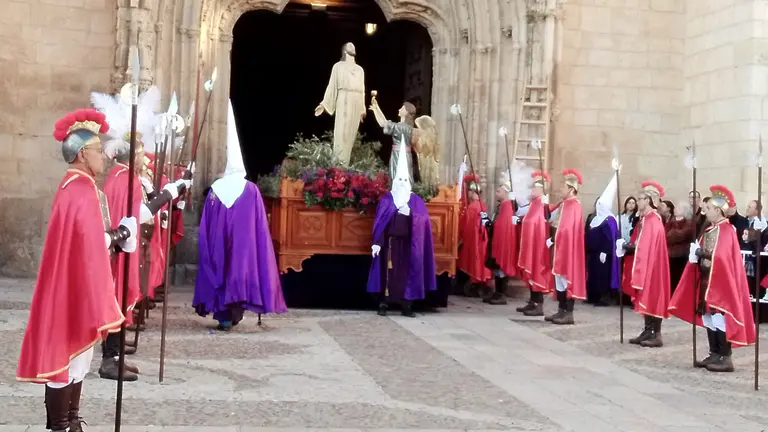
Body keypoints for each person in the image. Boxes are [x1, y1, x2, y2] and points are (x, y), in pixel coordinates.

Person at [16, 108, 136, 432]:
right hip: (73, 286)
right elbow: (90, 242)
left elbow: (93, 241)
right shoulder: (78, 189)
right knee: (66, 355)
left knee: (78, 358)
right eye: (98, 151)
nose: (104, 157)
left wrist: (115, 238)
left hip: (78, 282)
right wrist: (120, 236)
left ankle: (71, 420)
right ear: (83, 153)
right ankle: (60, 425)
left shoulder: (83, 187)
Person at [92, 87, 192, 380]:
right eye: (139, 154)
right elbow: (140, 214)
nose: (143, 159)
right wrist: (171, 192)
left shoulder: (122, 177)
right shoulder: (124, 180)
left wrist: (164, 192)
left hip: (126, 247)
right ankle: (109, 360)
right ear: (130, 157)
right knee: (118, 299)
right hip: (121, 249)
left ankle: (117, 355)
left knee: (122, 300)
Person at [194, 100, 287, 329]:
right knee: (238, 271)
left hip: (219, 245)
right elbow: (260, 225)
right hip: (243, 249)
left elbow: (205, 223)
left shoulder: (215, 190)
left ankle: (224, 316)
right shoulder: (251, 190)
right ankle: (233, 314)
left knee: (221, 270)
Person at [669, 184, 756, 372]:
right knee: (708, 316)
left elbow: (722, 257)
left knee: (719, 317)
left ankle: (726, 357)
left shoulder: (727, 230)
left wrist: (702, 252)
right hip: (706, 279)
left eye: (708, 208)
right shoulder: (710, 229)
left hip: (720, 282)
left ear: (718, 210)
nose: (704, 210)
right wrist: (696, 255)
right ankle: (714, 353)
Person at [367, 136, 437, 317]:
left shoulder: (416, 201)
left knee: (408, 275)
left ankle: (407, 305)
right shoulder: (387, 200)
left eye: (405, 181)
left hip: (409, 247)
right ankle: (383, 303)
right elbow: (380, 223)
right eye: (400, 180)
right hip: (389, 245)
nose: (402, 184)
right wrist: (377, 242)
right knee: (387, 276)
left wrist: (411, 214)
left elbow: (423, 222)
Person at [616, 181, 670, 347]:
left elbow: (644, 246)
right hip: (648, 264)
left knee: (654, 296)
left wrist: (627, 246)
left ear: (648, 200)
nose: (637, 202)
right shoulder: (645, 219)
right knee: (647, 296)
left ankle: (656, 334)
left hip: (653, 266)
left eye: (640, 199)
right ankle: (648, 330)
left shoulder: (652, 220)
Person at [315, 42, 366, 165]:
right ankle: (338, 166)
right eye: (350, 46)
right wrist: (323, 104)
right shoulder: (338, 66)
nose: (353, 46)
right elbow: (332, 86)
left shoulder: (360, 69)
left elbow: (362, 90)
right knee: (341, 134)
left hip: (356, 100)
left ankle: (345, 166)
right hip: (344, 99)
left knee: (350, 137)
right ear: (344, 50)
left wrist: (362, 108)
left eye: (354, 46)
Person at [545, 169, 586, 324]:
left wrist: (557, 238)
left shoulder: (575, 205)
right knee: (559, 279)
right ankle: (561, 310)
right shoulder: (564, 204)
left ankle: (568, 313)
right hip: (560, 246)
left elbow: (568, 229)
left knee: (566, 278)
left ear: (571, 189)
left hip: (568, 248)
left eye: (563, 187)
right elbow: (555, 222)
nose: (560, 190)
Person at [517, 171, 553, 316]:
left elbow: (543, 221)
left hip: (538, 247)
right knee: (531, 275)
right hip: (530, 245)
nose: (531, 190)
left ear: (541, 190)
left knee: (537, 273)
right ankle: (532, 302)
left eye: (534, 188)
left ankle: (539, 305)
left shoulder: (542, 204)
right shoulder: (533, 204)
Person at [483, 175, 519, 305]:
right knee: (497, 268)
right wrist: (489, 223)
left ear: (505, 193)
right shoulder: (501, 207)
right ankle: (497, 293)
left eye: (499, 191)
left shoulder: (508, 207)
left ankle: (501, 294)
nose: (496, 193)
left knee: (502, 268)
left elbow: (505, 227)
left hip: (504, 243)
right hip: (497, 241)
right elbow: (497, 224)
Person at [585, 173, 620, 306]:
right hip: (593, 252)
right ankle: (592, 295)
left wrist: (605, 251)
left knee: (602, 275)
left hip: (603, 254)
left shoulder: (610, 220)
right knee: (593, 274)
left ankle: (602, 297)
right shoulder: (595, 218)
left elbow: (611, 238)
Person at [456, 173, 492, 294]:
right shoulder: (482, 205)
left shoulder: (473, 207)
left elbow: (468, 226)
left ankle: (475, 286)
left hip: (475, 240)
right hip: (480, 239)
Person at [370, 99, 420, 183]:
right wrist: (376, 108)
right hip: (403, 154)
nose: (399, 109)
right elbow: (385, 123)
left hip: (399, 155)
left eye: (402, 109)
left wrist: (376, 109)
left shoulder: (401, 127)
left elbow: (383, 123)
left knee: (397, 176)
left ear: (406, 112)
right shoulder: (407, 127)